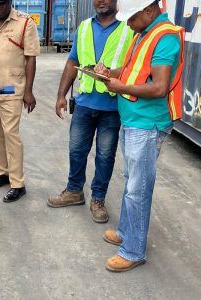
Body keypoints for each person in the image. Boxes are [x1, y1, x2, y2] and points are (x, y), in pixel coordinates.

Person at [95, 0, 184, 272]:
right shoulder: (142, 34)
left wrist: (120, 88)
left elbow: (159, 87)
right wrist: (109, 74)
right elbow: (131, 72)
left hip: (147, 124)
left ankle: (133, 250)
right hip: (134, 120)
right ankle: (126, 232)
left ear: (149, 11)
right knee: (132, 181)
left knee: (138, 187)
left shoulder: (165, 37)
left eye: (132, 18)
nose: (128, 24)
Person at [47, 0, 133, 223]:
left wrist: (112, 74)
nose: (101, 1)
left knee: (105, 156)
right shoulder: (84, 27)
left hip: (112, 106)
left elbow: (135, 68)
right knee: (76, 151)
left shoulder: (128, 28)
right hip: (84, 103)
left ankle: (98, 199)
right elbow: (72, 62)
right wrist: (60, 95)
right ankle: (74, 191)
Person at [0, 0, 40, 202]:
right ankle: (3, 173)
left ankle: (17, 183)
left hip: (12, 89)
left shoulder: (25, 22)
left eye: (3, 3)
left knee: (11, 134)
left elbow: (30, 58)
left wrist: (28, 91)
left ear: (10, 2)